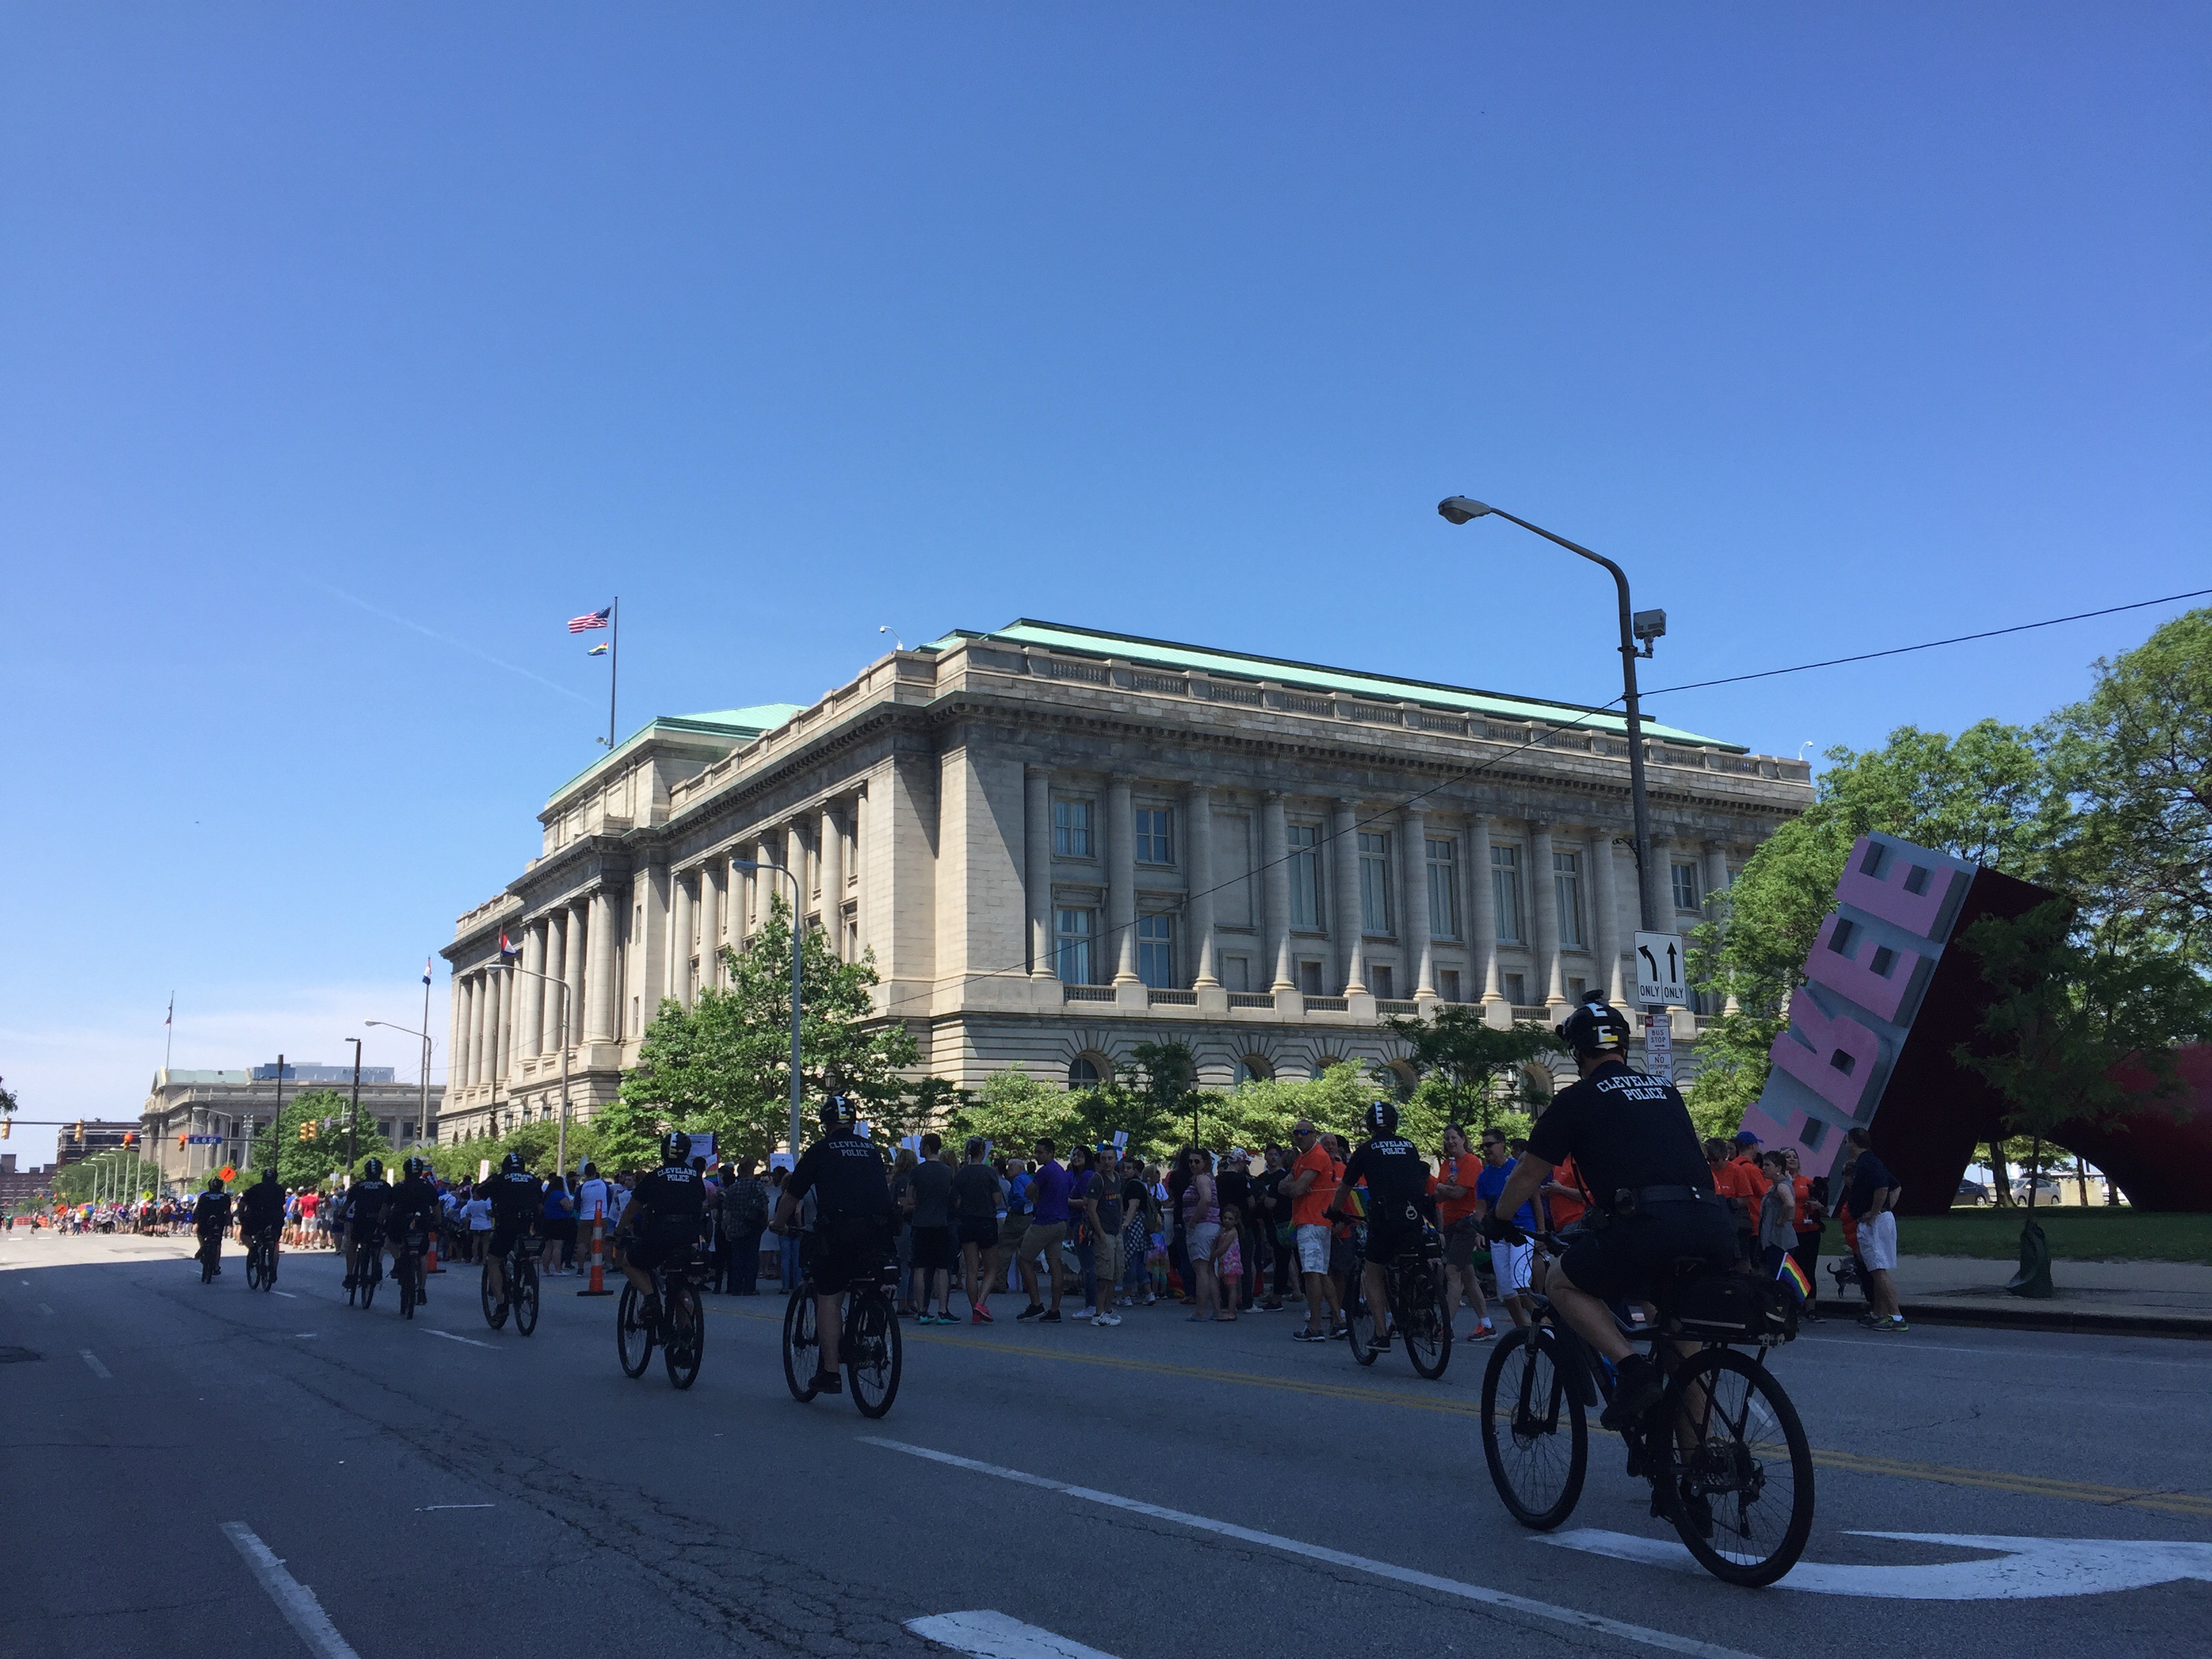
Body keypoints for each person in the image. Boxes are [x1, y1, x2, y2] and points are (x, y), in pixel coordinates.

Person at [1478, 995, 1736, 1435]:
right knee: (1683, 1356)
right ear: (1625, 1047)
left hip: (1648, 1228)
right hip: (1712, 1226)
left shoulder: (1577, 1098)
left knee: (1560, 1280)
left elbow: (1528, 1173)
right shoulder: (1666, 1091)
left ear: (1579, 1054)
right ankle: (1699, 1467)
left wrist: (1499, 1218)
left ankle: (1631, 1370)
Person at [774, 1095, 894, 1393]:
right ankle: (870, 1331)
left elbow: (792, 1195)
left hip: (840, 1232)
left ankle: (830, 1372)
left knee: (829, 1297)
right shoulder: (872, 1149)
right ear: (853, 1122)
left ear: (825, 1124)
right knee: (871, 1280)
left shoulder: (820, 1150)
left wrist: (778, 1224)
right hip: (879, 1231)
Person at [1329, 1101, 1438, 1353]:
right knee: (1411, 1261)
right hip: (1413, 1215)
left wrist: (1334, 1211)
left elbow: (1345, 1186)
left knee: (1373, 1271)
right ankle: (1419, 1308)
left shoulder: (1366, 1150)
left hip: (1385, 1218)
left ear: (1370, 1125)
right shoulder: (1409, 1146)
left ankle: (1380, 1334)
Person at [613, 1130, 709, 1326]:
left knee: (629, 1262)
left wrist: (618, 1232)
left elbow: (632, 1208)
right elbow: (703, 1204)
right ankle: (685, 1333)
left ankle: (651, 1299)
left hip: (661, 1234)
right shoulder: (695, 1177)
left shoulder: (655, 1176)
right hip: (690, 1236)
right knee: (682, 1283)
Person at [1281, 1121, 1342, 1342]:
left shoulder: (1316, 1156)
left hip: (1312, 1222)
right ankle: (1339, 1321)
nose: (1299, 1136)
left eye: (1304, 1132)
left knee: (1311, 1274)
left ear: (1314, 1134)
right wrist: (1294, 1187)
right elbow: (1282, 1186)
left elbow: (1294, 1188)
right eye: (1296, 1132)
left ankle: (1315, 1326)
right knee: (1321, 1273)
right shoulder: (1302, 1157)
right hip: (1316, 1222)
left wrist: (1295, 1187)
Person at [1433, 1126, 1493, 1340]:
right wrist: (1443, 1189)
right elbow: (1437, 1197)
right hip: (1450, 1224)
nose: (1450, 1142)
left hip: (1466, 1223)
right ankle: (1487, 1325)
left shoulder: (1471, 1162)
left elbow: (1459, 1192)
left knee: (1452, 1271)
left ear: (1463, 1139)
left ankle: (1446, 1327)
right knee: (1468, 1276)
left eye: (1454, 1138)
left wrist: (1443, 1188)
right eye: (1447, 1138)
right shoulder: (1446, 1164)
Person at [1845, 1126, 1908, 1332]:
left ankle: (1896, 1317)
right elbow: (1896, 1186)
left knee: (1878, 1270)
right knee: (1876, 1270)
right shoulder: (1870, 1161)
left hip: (1874, 1223)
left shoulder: (1867, 1162)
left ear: (1853, 1143)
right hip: (1880, 1220)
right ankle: (1879, 1313)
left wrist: (1875, 1212)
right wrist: (1886, 1210)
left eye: (1847, 1142)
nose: (1846, 1146)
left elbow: (1883, 1187)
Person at [1474, 1126, 1536, 1330]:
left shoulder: (1517, 1167)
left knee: (1520, 1282)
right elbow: (1481, 1208)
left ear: (1502, 1145)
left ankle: (1544, 1322)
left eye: (1490, 1145)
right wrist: (1478, 1232)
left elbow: (1535, 1199)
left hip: (1522, 1229)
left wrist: (1541, 1231)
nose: (1486, 1149)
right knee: (1505, 1287)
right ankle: (1522, 1330)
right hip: (1498, 1234)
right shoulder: (1484, 1177)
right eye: (1483, 1146)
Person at [1015, 1139, 1073, 1322]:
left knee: (1024, 1260)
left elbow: (1028, 1191)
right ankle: (1054, 1310)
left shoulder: (1045, 1171)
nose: (1037, 1156)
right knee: (1055, 1265)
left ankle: (1036, 1304)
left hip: (1044, 1223)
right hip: (1061, 1222)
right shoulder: (1060, 1171)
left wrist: (1036, 1198)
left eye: (1040, 1152)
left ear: (1050, 1153)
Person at [903, 1132, 958, 1323]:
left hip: (921, 1223)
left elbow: (910, 1199)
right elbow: (953, 1198)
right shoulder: (947, 1171)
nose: (919, 1149)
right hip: (941, 1223)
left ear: (927, 1148)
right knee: (942, 1268)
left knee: (920, 1267)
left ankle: (922, 1311)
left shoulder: (917, 1171)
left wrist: (920, 1202)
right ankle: (943, 1310)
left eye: (921, 1146)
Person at [950, 1136, 1002, 1322]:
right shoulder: (989, 1173)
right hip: (986, 1220)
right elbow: (997, 1199)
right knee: (991, 1268)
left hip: (967, 1221)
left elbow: (956, 1201)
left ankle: (975, 1310)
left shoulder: (961, 1174)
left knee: (971, 1270)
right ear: (982, 1152)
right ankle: (981, 1303)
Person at [482, 1153, 541, 1311]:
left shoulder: (500, 1178)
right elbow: (540, 1202)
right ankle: (527, 1275)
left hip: (507, 1224)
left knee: (493, 1260)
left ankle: (501, 1304)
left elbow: (479, 1194)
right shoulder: (533, 1179)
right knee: (524, 1252)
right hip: (529, 1225)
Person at [385, 1156, 441, 1296]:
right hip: (422, 1222)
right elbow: (436, 1208)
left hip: (399, 1223)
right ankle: (421, 1289)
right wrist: (438, 1223)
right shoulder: (428, 1187)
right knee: (422, 1255)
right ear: (421, 1171)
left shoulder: (399, 1187)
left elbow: (386, 1207)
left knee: (390, 1242)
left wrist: (381, 1222)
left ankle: (399, 1262)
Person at [719, 1159, 770, 1295]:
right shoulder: (758, 1187)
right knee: (752, 1258)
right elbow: (764, 1207)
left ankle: (736, 1287)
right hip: (753, 1227)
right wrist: (763, 1224)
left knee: (737, 1258)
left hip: (736, 1227)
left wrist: (727, 1227)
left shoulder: (733, 1188)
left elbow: (727, 1211)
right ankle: (749, 1287)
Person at [342, 1160, 394, 1292]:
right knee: (379, 1244)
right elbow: (391, 1204)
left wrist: (342, 1215)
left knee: (353, 1244)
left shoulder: (359, 1186)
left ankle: (350, 1275)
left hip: (361, 1220)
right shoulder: (385, 1186)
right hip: (378, 1221)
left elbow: (348, 1202)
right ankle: (377, 1265)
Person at [238, 1168, 285, 1279]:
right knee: (274, 1244)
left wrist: (242, 1215)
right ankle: (273, 1271)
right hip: (275, 1219)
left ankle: (253, 1250)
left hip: (257, 1218)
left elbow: (243, 1202)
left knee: (244, 1235)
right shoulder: (280, 1190)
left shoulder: (256, 1188)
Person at [194, 1176, 232, 1277]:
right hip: (219, 1221)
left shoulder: (204, 1196)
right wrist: (229, 1223)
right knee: (218, 1243)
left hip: (205, 1221)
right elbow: (228, 1212)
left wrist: (195, 1222)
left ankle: (203, 1247)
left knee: (200, 1233)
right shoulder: (225, 1197)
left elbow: (198, 1211)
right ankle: (216, 1266)